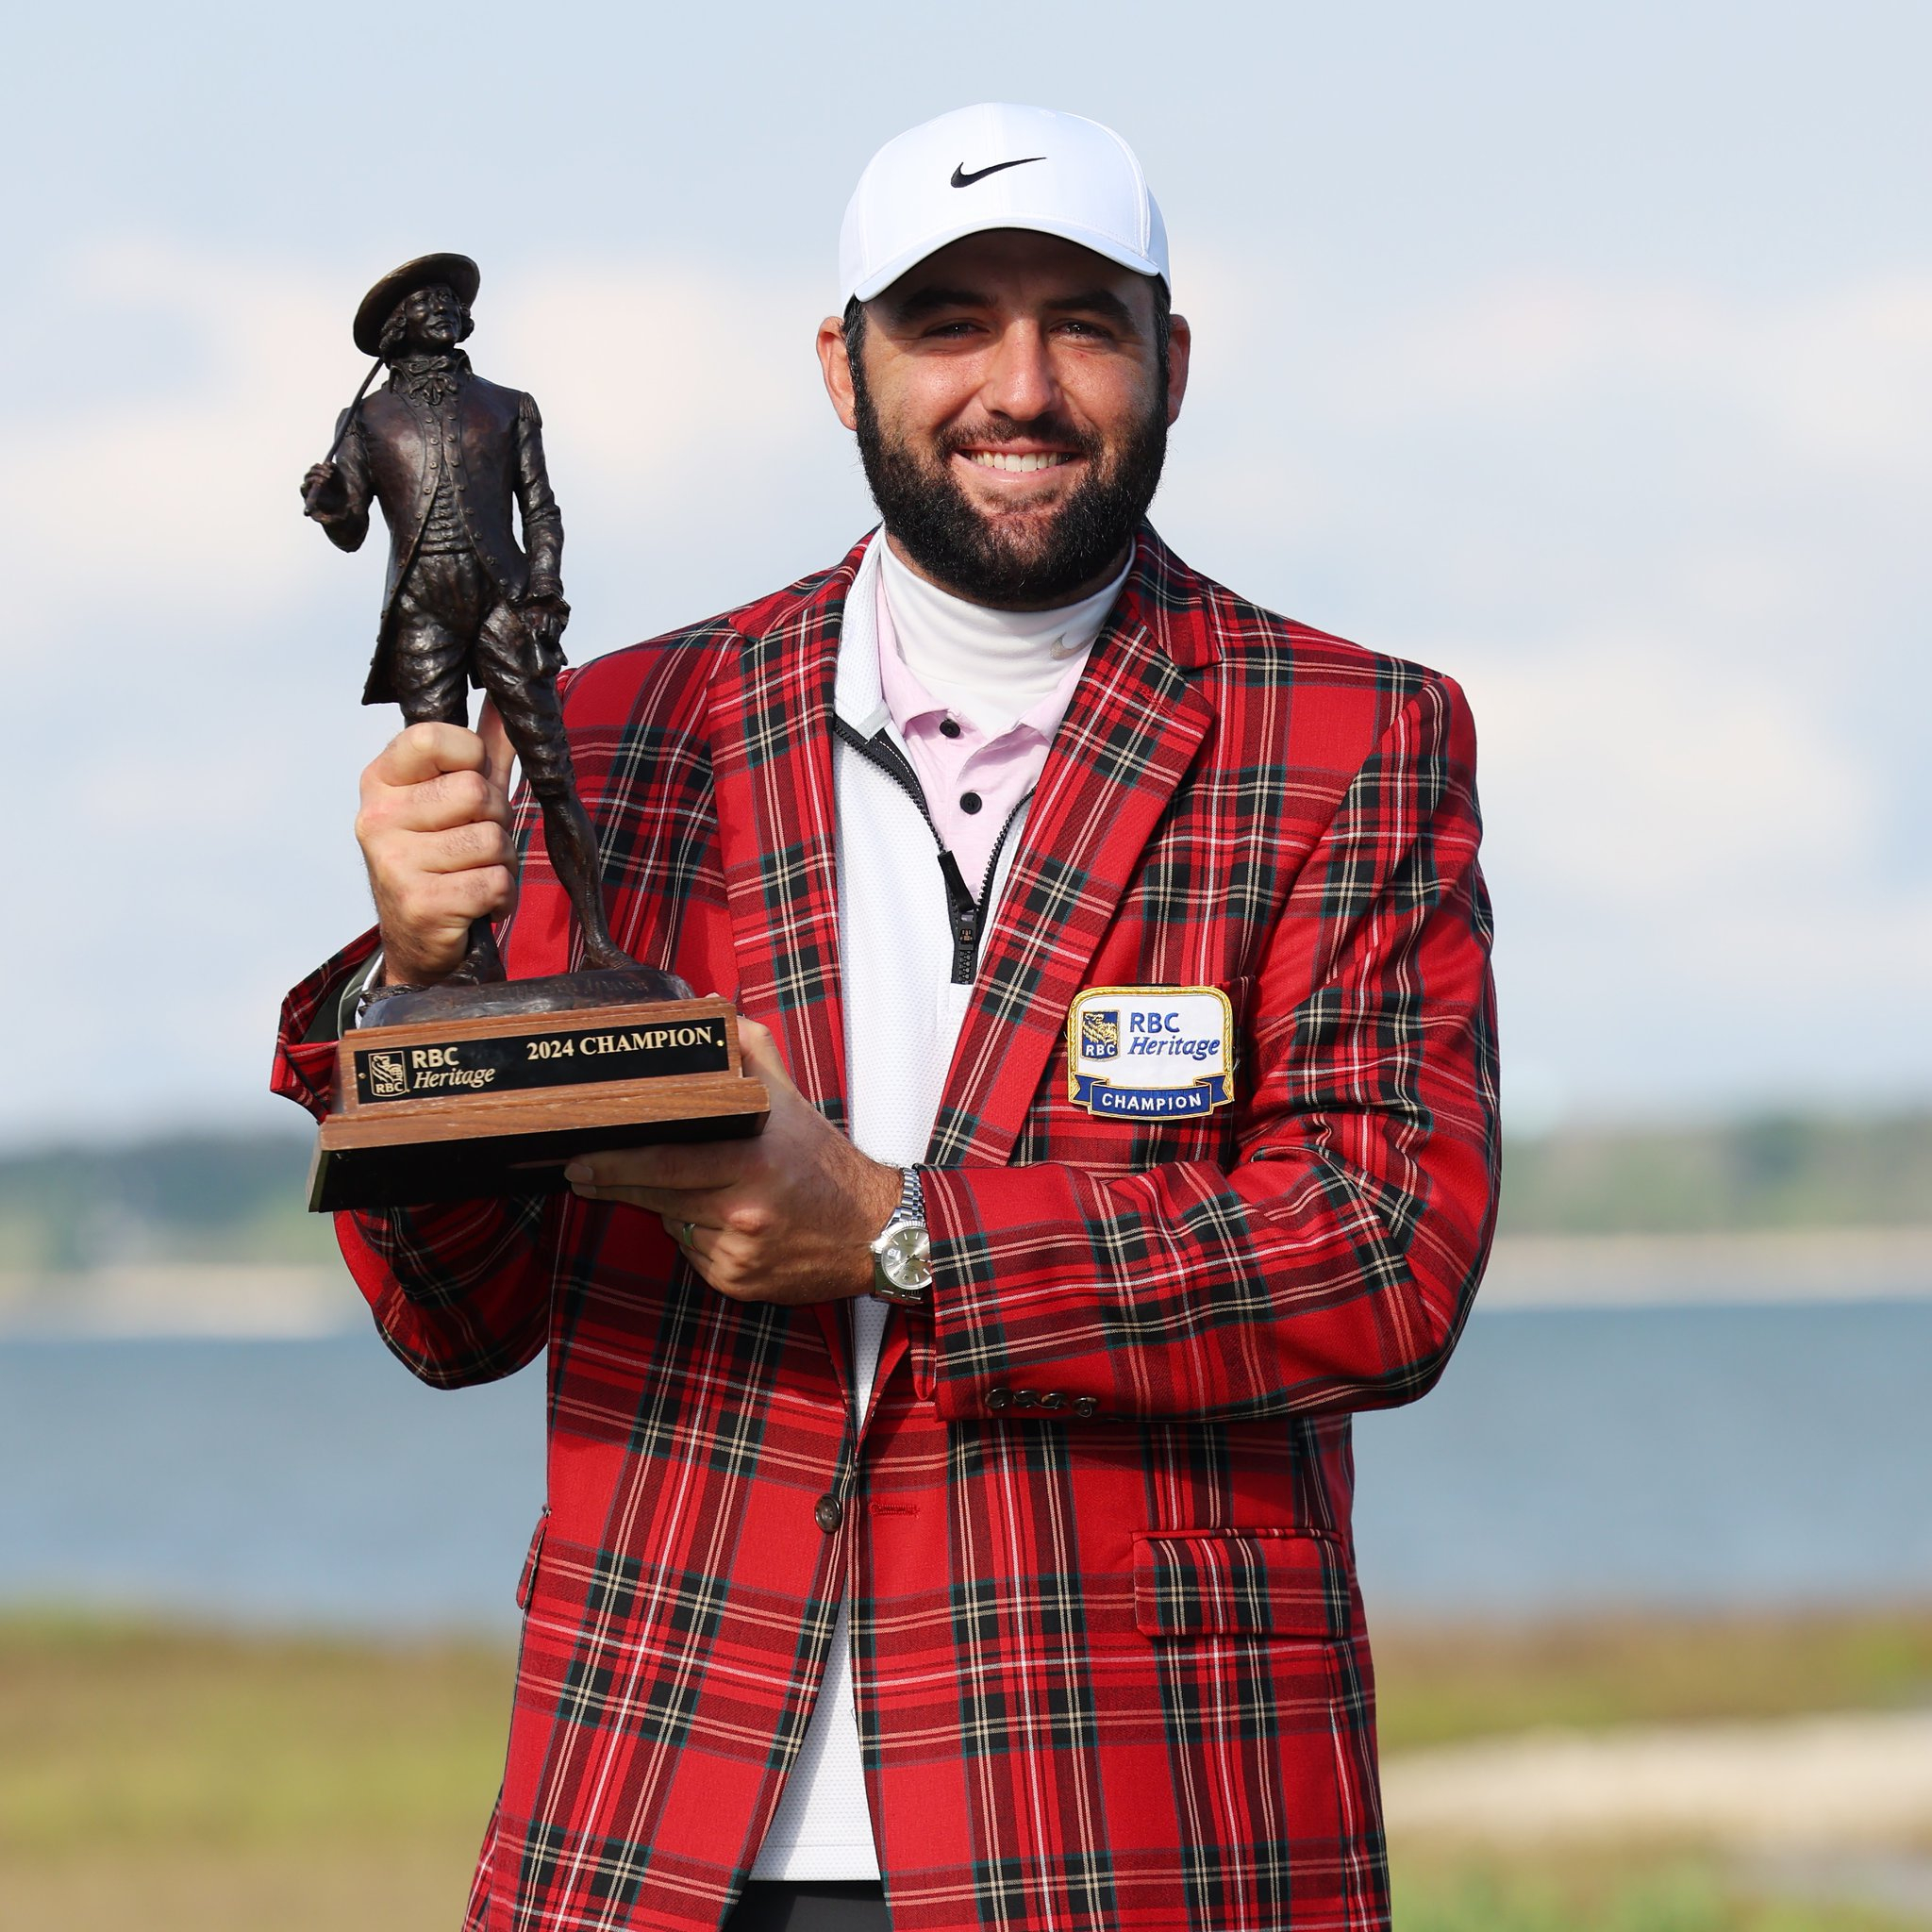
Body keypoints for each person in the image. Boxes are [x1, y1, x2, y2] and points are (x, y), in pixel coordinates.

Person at [274, 102, 1498, 1932]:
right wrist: (418, 984)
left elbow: (1380, 1257)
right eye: (948, 323)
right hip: (659, 1829)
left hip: (1137, 1824)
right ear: (840, 368)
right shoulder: (607, 735)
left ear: (1170, 360)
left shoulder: (1349, 735)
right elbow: (456, 1315)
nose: (1020, 383)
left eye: (1079, 320)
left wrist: (898, 1232)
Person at [299, 252, 632, 981]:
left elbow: (541, 509)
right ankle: (475, 955)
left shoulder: (509, 404)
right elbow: (352, 526)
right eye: (424, 304)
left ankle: (599, 941)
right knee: (447, 790)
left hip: (503, 599)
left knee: (552, 771)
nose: (442, 310)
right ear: (395, 330)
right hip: (423, 610)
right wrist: (327, 501)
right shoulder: (365, 418)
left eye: (450, 302)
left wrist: (545, 585)